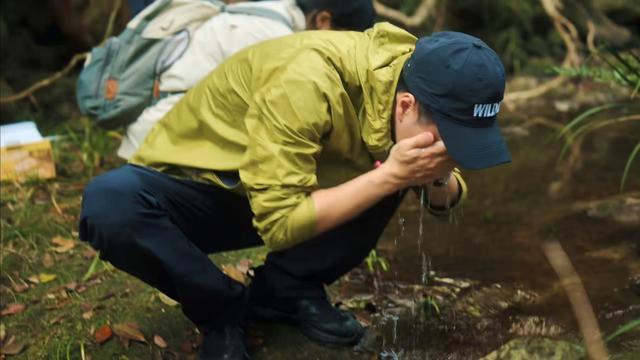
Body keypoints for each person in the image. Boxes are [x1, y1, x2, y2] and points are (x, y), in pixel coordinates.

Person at [79, 22, 511, 359]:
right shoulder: (307, 81)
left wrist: (434, 174)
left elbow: (445, 199)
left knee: (399, 164)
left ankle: (286, 292)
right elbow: (279, 223)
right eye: (450, 140)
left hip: (293, 184)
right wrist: (392, 175)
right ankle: (221, 311)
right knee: (110, 203)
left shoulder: (412, 79)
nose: (451, 153)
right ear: (405, 106)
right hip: (204, 190)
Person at [117, 0, 376, 159]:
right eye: (345, 40)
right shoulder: (275, 36)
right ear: (323, 20)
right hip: (163, 139)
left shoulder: (273, 12)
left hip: (167, 125)